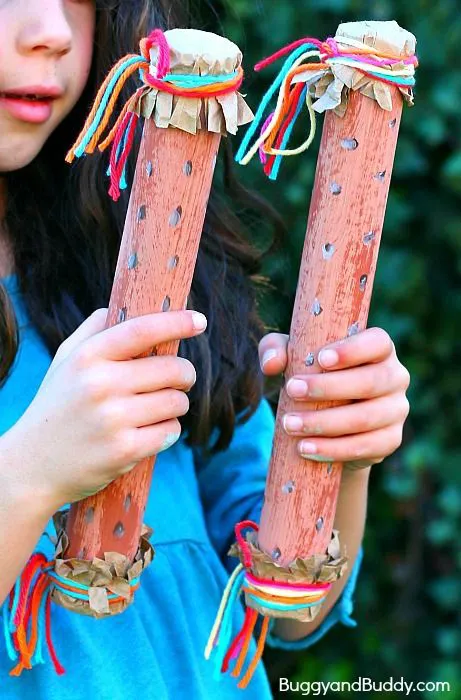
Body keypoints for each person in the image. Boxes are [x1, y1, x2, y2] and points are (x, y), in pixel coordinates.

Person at [0, 1, 411, 698]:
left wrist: (342, 454)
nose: (53, 32)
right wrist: (30, 474)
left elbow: (287, 613)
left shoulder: (136, 266)